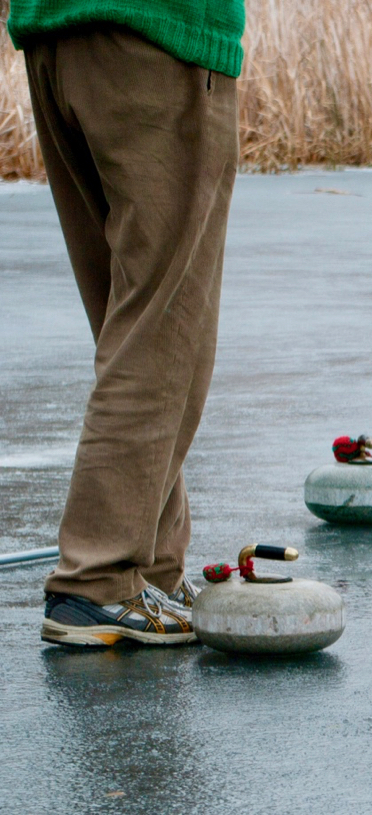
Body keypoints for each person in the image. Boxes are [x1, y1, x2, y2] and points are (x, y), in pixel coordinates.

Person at [11, 0, 246, 646]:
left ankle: (151, 566)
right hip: (159, 36)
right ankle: (98, 577)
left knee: (131, 321)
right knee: (163, 328)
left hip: (58, 34)